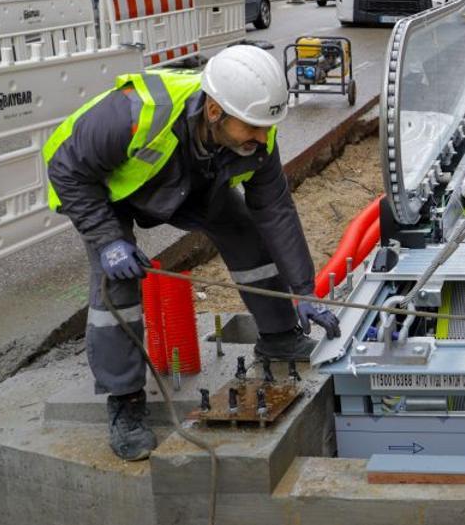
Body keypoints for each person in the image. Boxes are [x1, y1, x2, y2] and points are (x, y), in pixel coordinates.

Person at [43, 46, 341, 462]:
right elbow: (66, 169)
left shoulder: (256, 133)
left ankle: (279, 336)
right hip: (105, 193)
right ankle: (125, 403)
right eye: (253, 127)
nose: (263, 137)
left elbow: (275, 210)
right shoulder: (133, 114)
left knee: (244, 231)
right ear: (215, 111)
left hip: (187, 182)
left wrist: (304, 289)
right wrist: (108, 239)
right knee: (118, 286)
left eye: (266, 127)